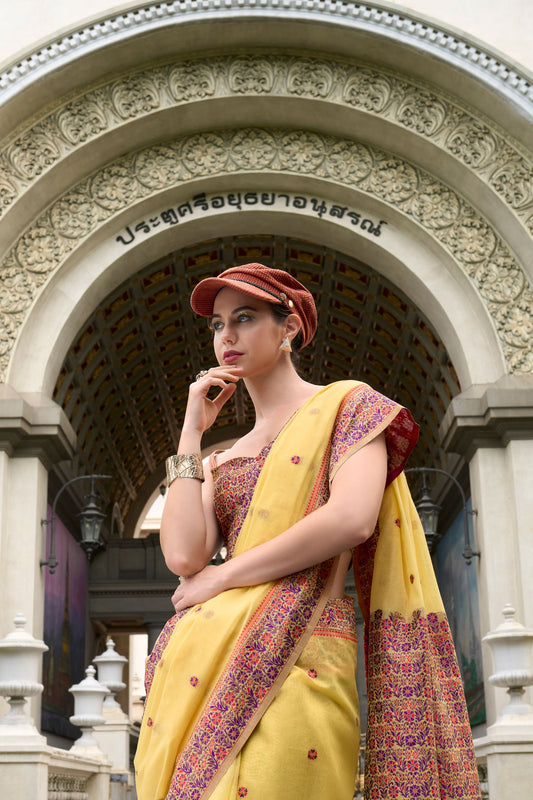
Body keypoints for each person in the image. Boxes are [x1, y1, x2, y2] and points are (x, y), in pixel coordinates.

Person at [134, 263, 481, 800]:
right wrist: (191, 432)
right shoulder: (224, 457)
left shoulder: (350, 406)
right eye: (218, 324)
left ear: (289, 327)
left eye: (244, 318)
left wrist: (221, 580)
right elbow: (183, 556)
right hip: (203, 660)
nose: (226, 335)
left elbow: (350, 519)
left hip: (306, 647)